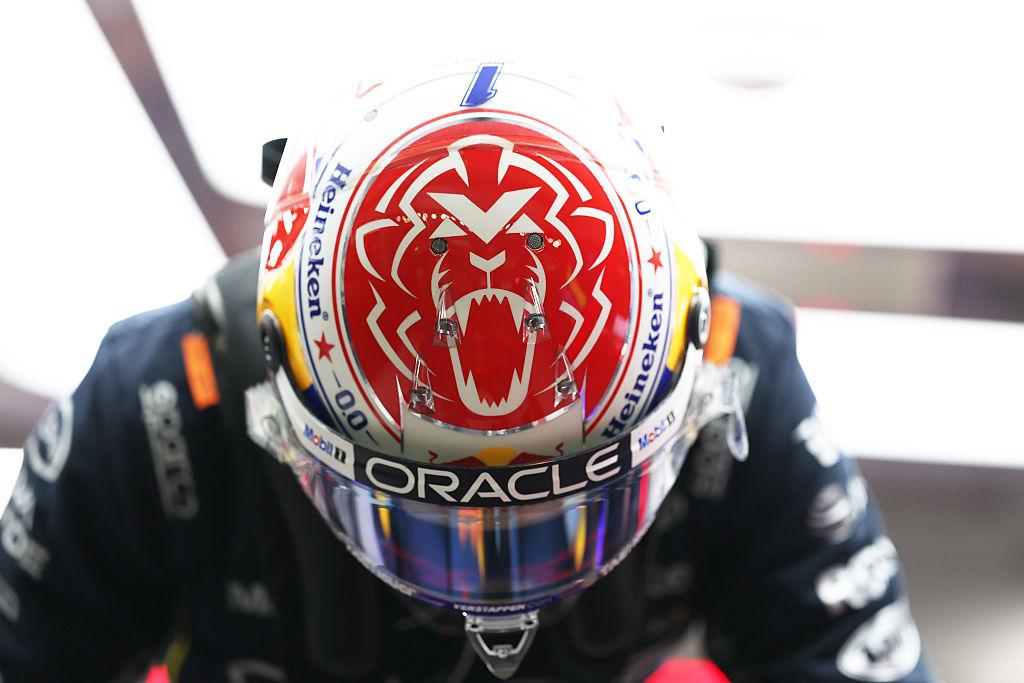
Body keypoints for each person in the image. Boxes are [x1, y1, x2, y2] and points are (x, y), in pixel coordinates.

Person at [0, 63, 937, 682]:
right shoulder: (160, 406)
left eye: (559, 510)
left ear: (685, 388)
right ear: (281, 405)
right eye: (426, 520)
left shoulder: (739, 371)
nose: (493, 588)